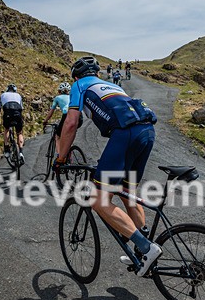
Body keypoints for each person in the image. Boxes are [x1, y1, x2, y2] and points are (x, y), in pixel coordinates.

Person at [55, 56, 160, 275]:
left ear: (75, 76)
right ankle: (144, 251)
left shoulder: (79, 85)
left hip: (125, 135)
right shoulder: (112, 85)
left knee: (99, 200)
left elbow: (71, 122)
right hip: (146, 132)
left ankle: (146, 248)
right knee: (127, 194)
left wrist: (61, 158)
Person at [43, 82, 82, 160]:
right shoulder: (72, 96)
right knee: (68, 134)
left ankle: (60, 157)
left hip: (67, 115)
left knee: (58, 136)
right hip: (79, 117)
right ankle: (68, 155)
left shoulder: (57, 98)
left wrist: (45, 121)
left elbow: (51, 112)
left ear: (59, 91)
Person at [0, 83, 24, 163]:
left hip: (7, 114)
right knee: (19, 133)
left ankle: (7, 148)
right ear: (15, 90)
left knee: (7, 129)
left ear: (7, 90)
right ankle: (21, 152)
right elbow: (21, 109)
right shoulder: (18, 96)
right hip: (18, 114)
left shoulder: (3, 95)